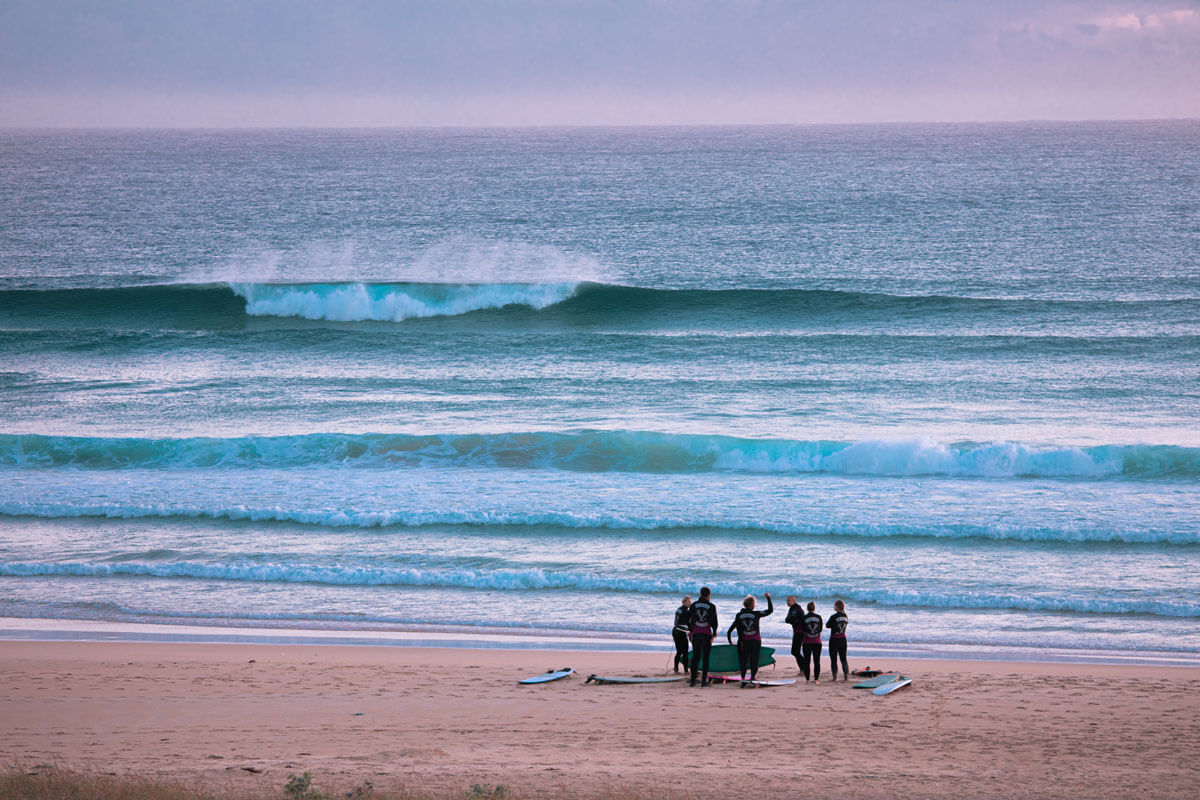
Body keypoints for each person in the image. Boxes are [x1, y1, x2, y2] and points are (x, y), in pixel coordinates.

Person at [726, 592, 773, 685]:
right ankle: (753, 677)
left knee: (743, 661)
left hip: (744, 641)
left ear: (744, 604)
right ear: (753, 605)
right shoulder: (756, 614)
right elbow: (770, 610)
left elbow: (730, 630)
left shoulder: (739, 615)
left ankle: (743, 678)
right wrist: (768, 598)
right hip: (755, 640)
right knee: (754, 660)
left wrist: (730, 640)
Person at [687, 586, 718, 687]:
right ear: (709, 595)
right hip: (706, 634)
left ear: (700, 594)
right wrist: (713, 634)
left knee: (696, 657)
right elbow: (715, 623)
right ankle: (703, 682)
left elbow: (687, 619)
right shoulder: (712, 606)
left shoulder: (693, 605)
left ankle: (692, 681)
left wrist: (691, 631)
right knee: (705, 658)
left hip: (696, 633)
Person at [799, 601, 823, 683]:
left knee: (807, 661)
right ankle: (816, 679)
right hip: (817, 641)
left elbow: (802, 629)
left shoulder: (804, 618)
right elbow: (820, 629)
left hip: (807, 642)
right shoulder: (819, 617)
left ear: (807, 608)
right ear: (814, 608)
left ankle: (808, 679)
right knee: (817, 661)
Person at [826, 600, 849, 681]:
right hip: (843, 639)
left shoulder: (833, 617)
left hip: (834, 639)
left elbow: (827, 625)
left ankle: (834, 677)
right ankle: (846, 676)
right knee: (843, 658)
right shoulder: (846, 616)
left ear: (837, 606)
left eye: (834, 605)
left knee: (833, 659)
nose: (833, 607)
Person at [784, 596, 804, 673]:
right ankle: (803, 668)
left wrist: (792, 619)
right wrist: (792, 619)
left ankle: (804, 666)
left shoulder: (797, 609)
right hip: (796, 631)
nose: (788, 602)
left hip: (800, 632)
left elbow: (791, 619)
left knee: (795, 651)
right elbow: (787, 620)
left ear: (794, 600)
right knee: (795, 651)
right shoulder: (792, 609)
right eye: (787, 601)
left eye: (789, 600)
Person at [672, 596, 692, 673]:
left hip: (675, 631)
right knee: (685, 652)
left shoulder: (679, 609)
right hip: (680, 631)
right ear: (684, 602)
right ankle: (686, 670)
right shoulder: (686, 611)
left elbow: (675, 622)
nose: (690, 603)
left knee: (679, 651)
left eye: (690, 602)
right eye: (689, 602)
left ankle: (676, 668)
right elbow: (688, 623)